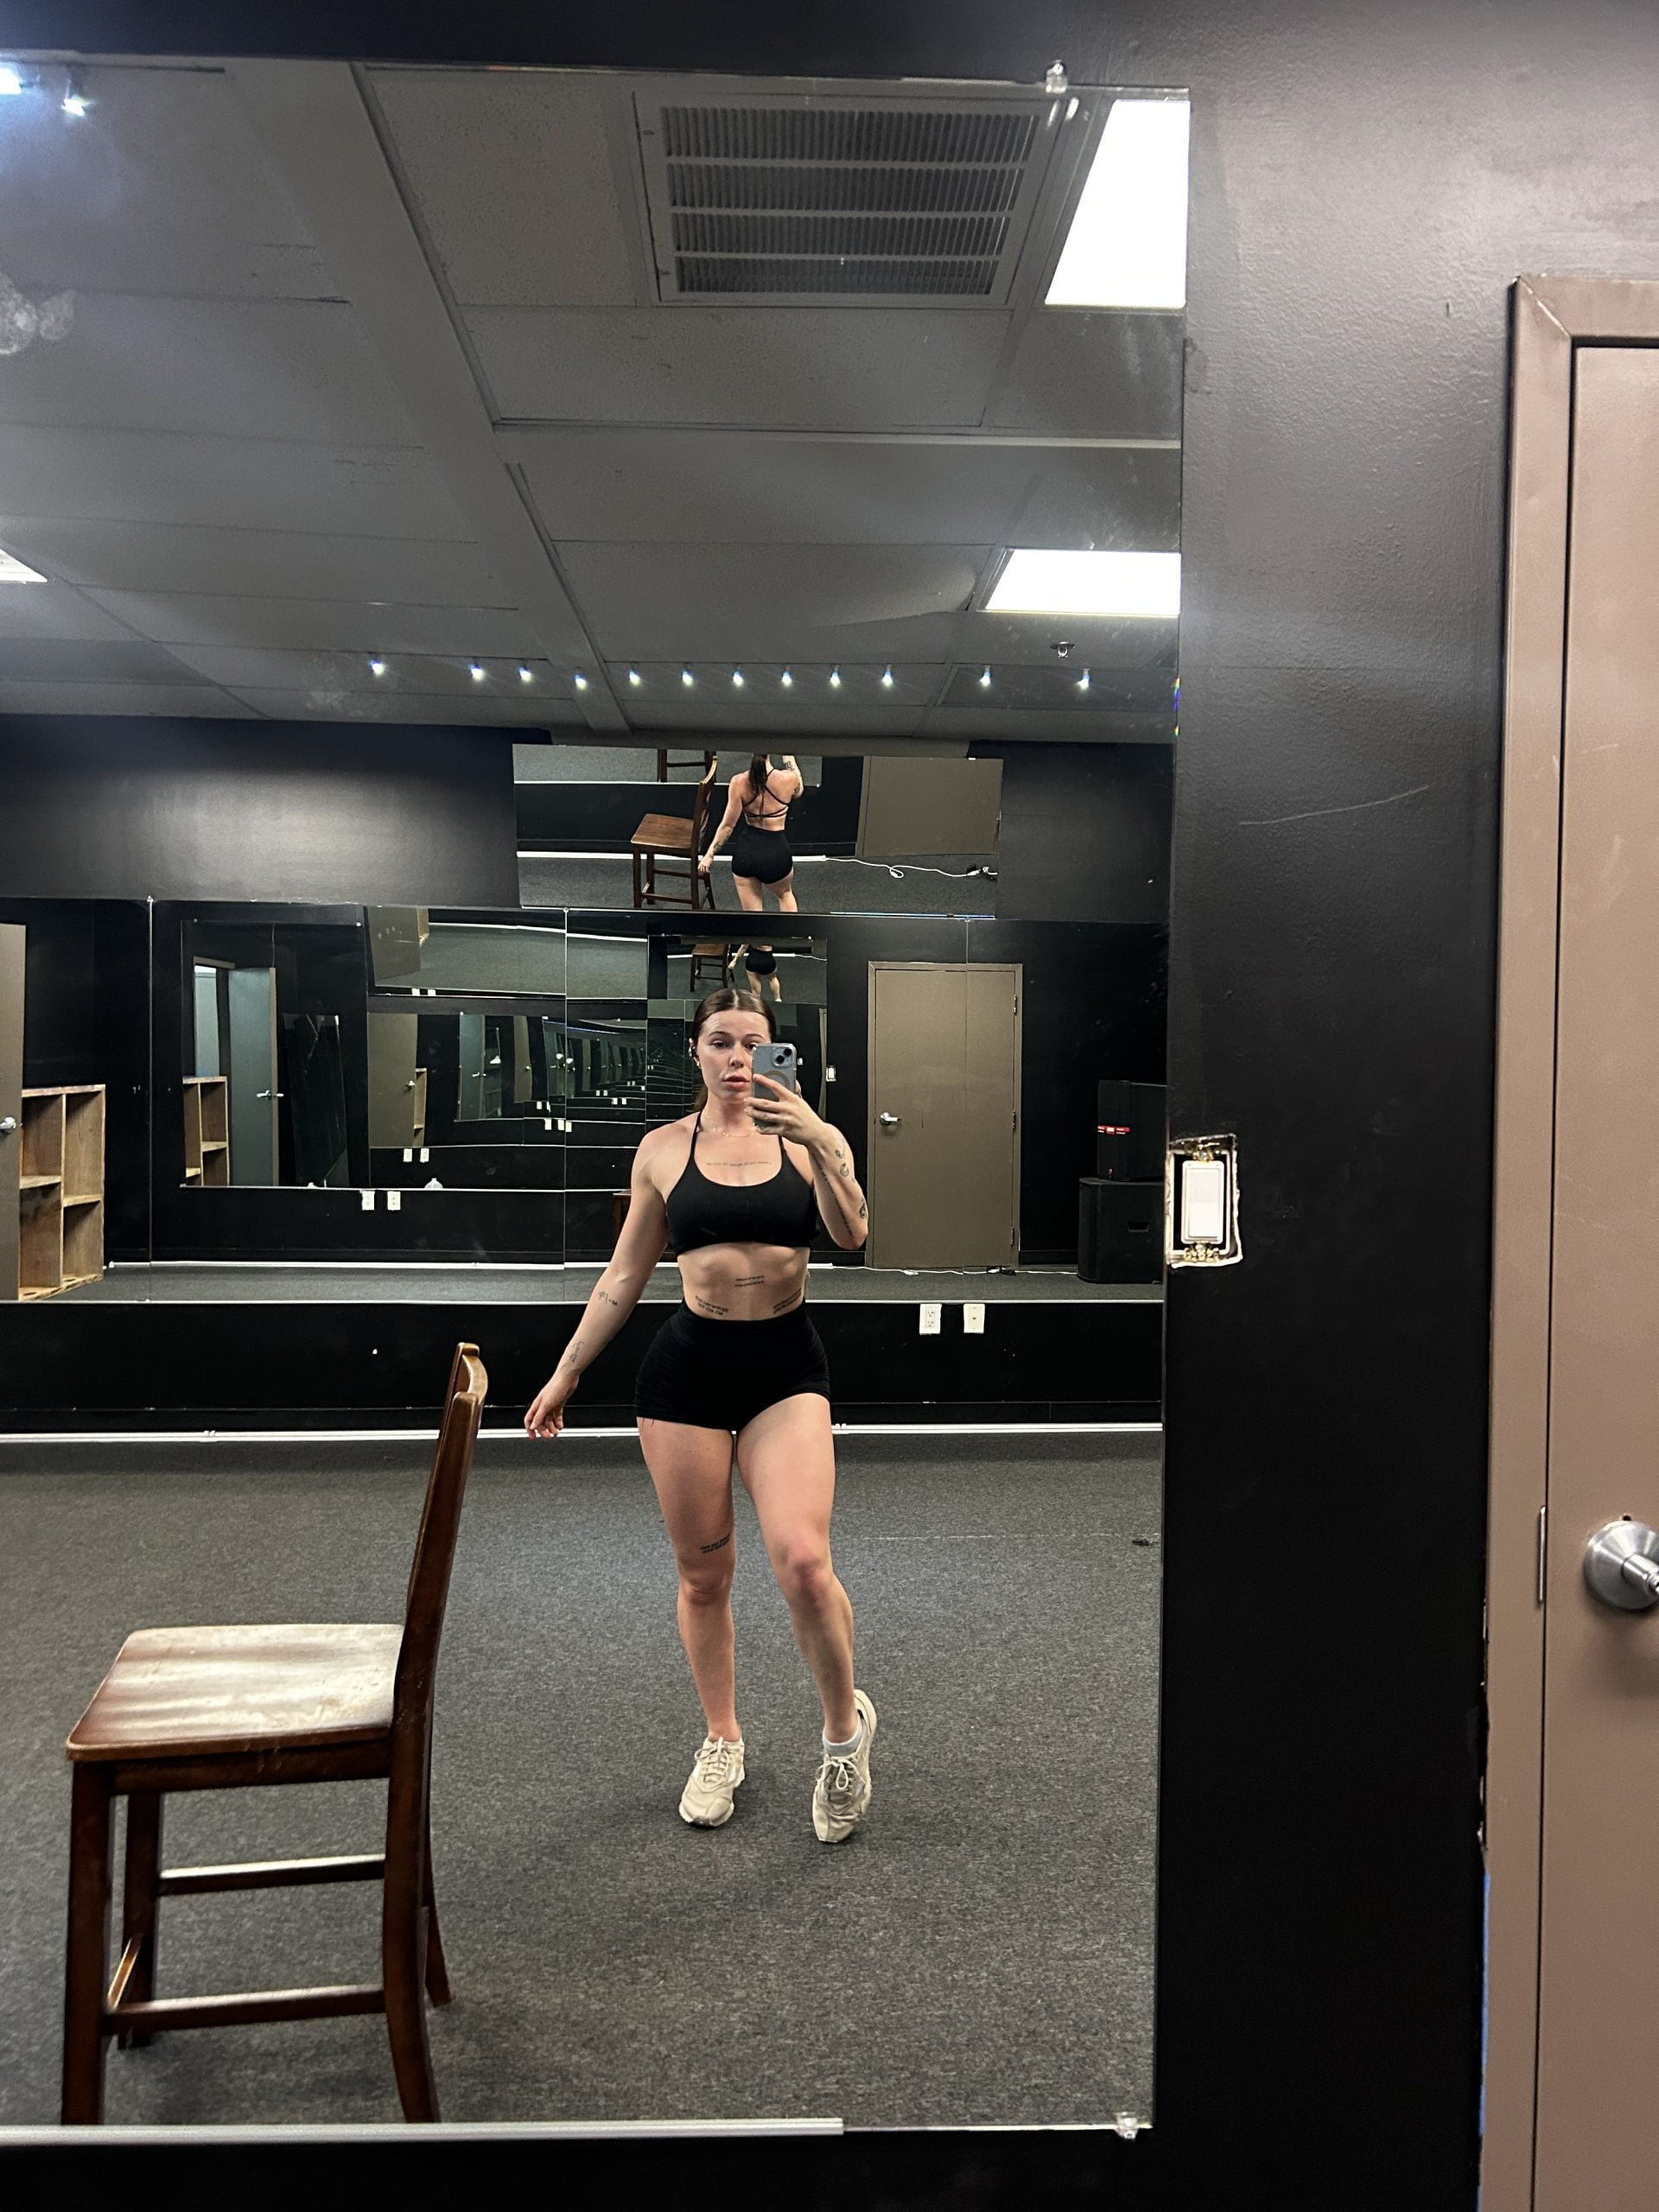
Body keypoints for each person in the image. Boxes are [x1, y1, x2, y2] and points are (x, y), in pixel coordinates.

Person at [524, 987, 875, 1843]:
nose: (739, 1059)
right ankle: (722, 1739)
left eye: (755, 1043)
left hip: (784, 1369)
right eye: (722, 1041)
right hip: (686, 1375)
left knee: (803, 1561)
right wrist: (567, 1373)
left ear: (775, 1053)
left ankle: (844, 1736)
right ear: (697, 1051)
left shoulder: (808, 1142)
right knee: (704, 1577)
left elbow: (854, 1233)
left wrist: (824, 1143)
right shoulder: (662, 1149)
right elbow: (623, 1275)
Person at [700, 753, 803, 912]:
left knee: (752, 918)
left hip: (746, 854)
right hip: (775, 854)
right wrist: (788, 756)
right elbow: (798, 791)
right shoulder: (789, 779)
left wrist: (709, 855)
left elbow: (728, 826)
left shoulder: (738, 782)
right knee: (785, 895)